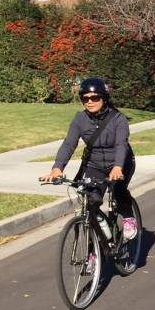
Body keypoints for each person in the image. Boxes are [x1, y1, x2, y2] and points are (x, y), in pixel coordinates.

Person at [40, 77, 138, 239]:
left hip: (121, 162)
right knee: (91, 201)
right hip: (95, 164)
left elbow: (122, 144)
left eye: (94, 98)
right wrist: (57, 168)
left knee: (118, 189)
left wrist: (118, 166)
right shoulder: (80, 119)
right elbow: (69, 144)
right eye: (85, 98)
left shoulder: (118, 119)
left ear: (104, 98)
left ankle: (128, 218)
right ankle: (95, 250)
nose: (90, 102)